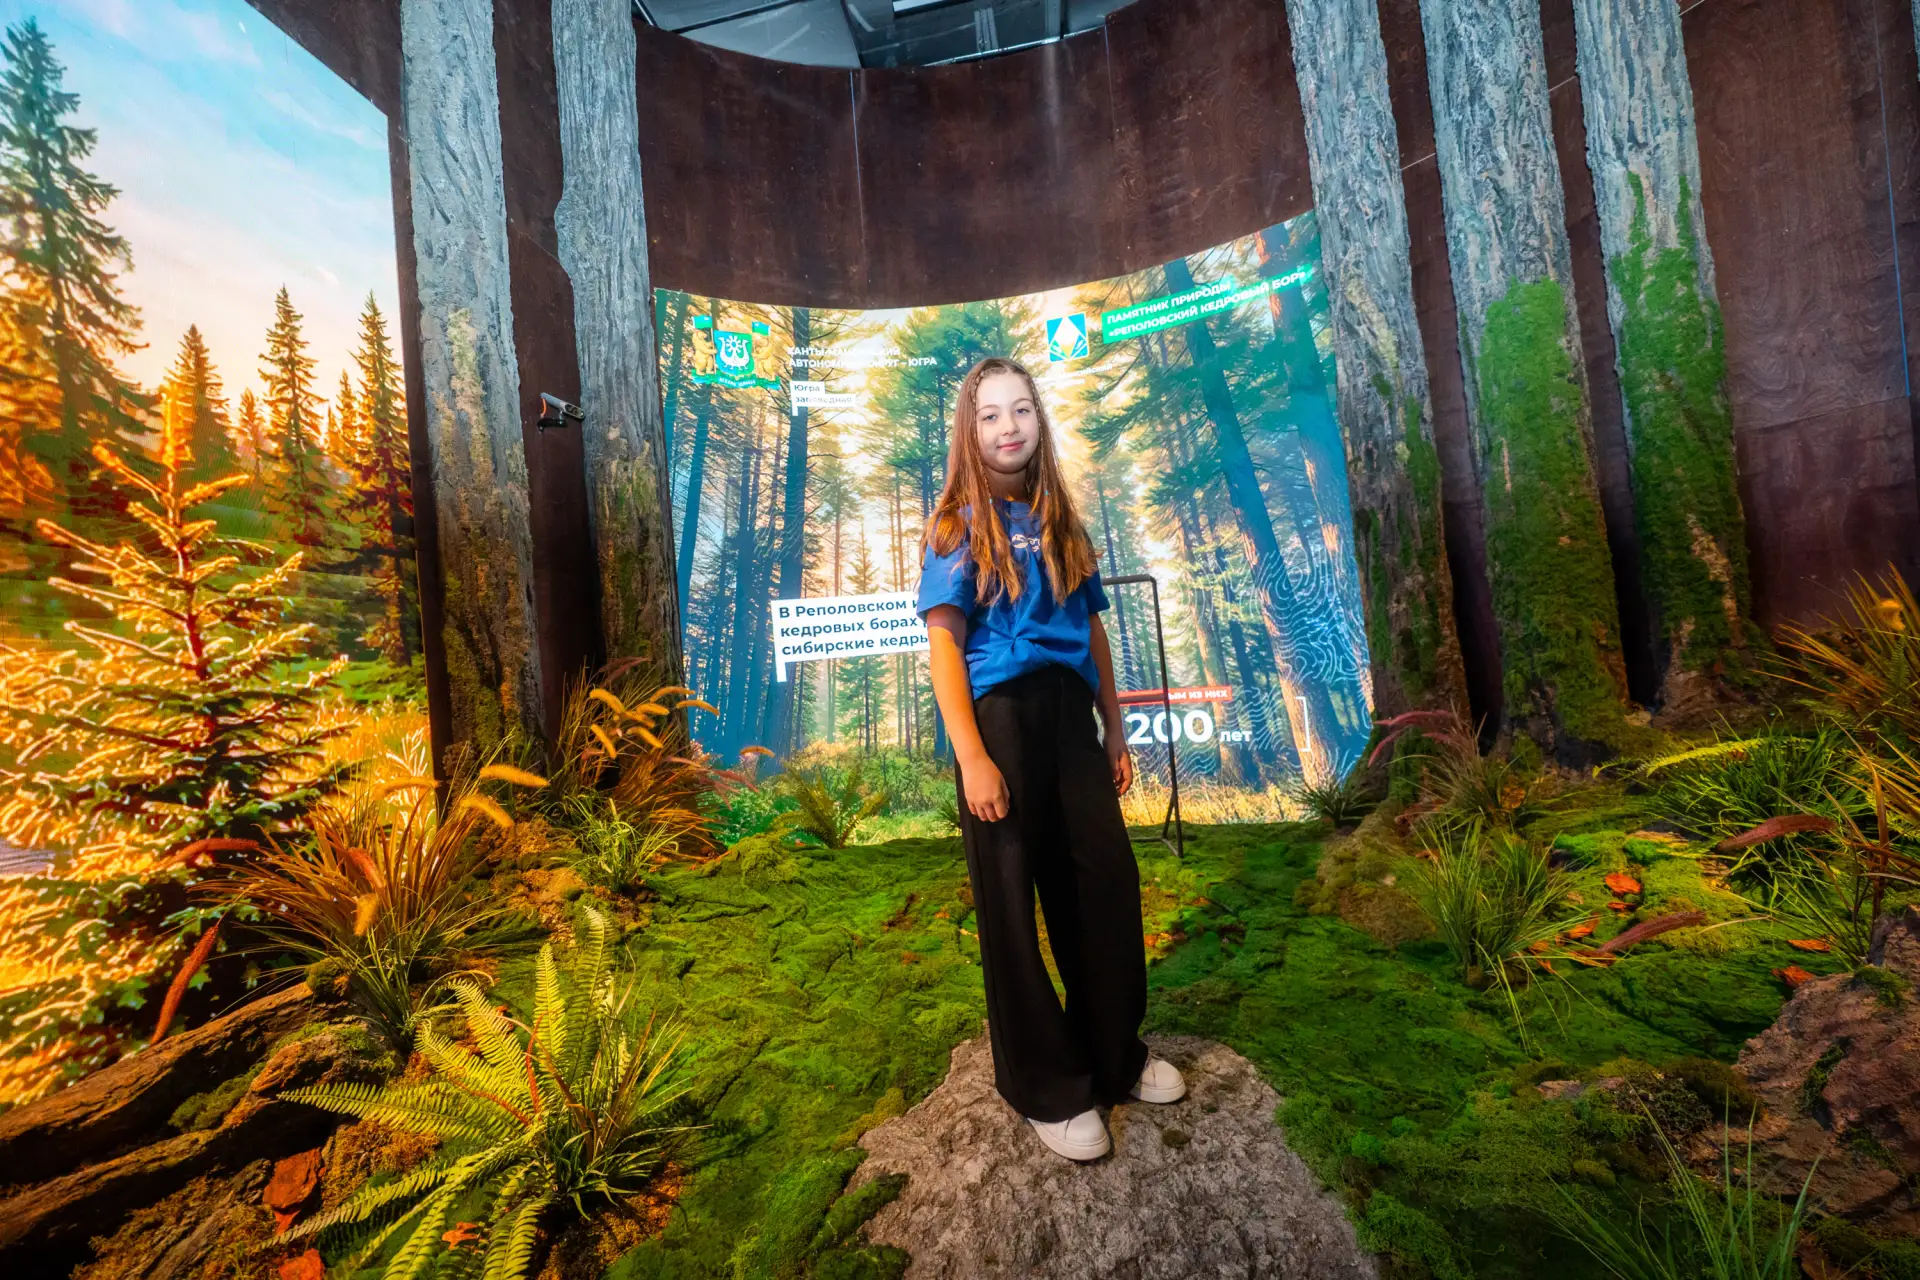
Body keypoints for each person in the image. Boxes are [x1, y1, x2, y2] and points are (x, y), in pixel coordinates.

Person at [916, 356, 1185, 1164]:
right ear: (970, 431)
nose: (1008, 427)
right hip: (999, 720)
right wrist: (972, 756)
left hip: (1071, 719)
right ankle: (1048, 1087)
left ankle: (1114, 1055)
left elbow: (1093, 631)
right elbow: (943, 645)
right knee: (1010, 901)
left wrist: (1114, 727)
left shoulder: (1063, 522)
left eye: (1022, 410)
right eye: (991, 414)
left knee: (1104, 882)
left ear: (1039, 422)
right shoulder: (957, 525)